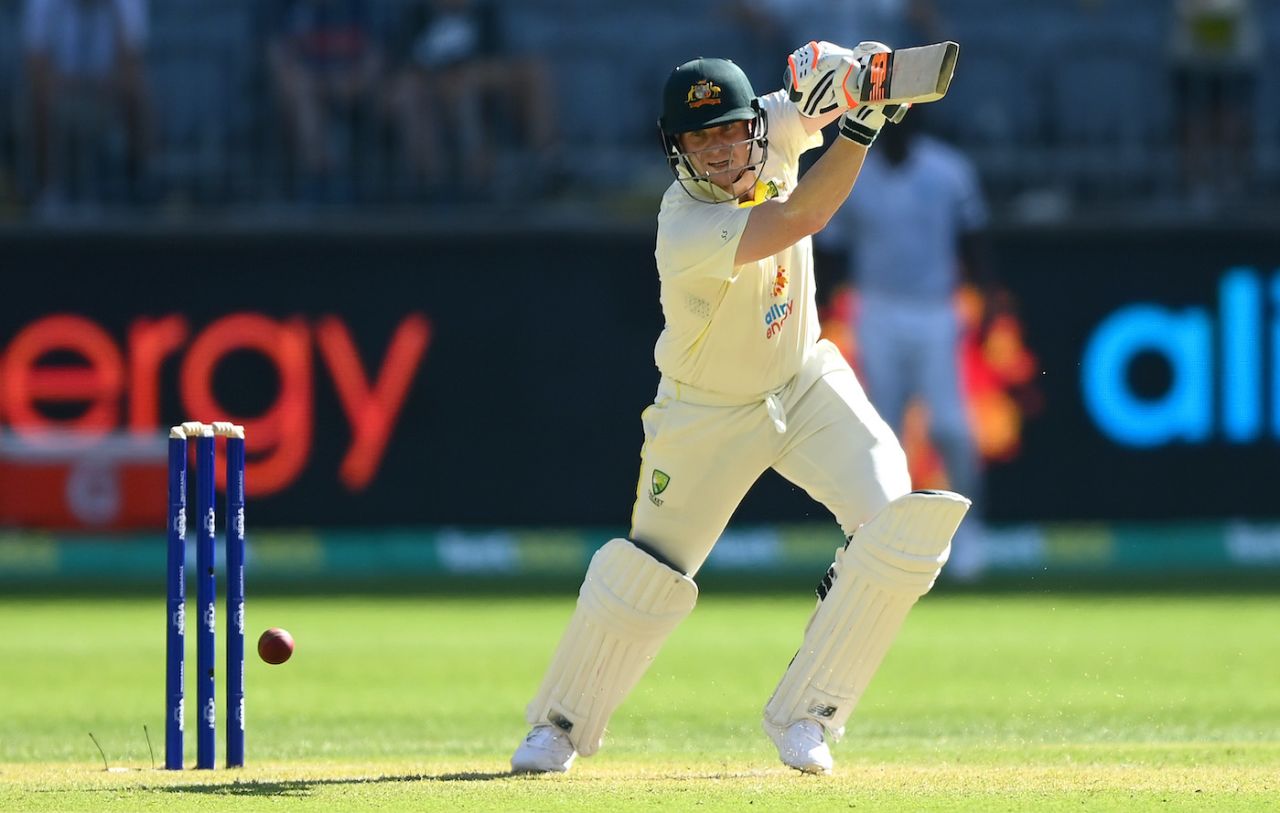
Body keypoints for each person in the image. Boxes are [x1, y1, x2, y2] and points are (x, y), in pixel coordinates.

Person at [510, 42, 970, 776]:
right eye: (701, 139)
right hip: (705, 411)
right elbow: (805, 213)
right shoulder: (685, 224)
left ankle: (808, 716)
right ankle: (558, 726)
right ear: (677, 150)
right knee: (647, 574)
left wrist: (859, 73)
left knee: (899, 532)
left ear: (754, 122)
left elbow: (822, 92)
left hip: (805, 378)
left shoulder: (777, 128)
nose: (722, 151)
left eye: (730, 130)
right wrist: (862, 126)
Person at [821, 112, 994, 581]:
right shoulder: (853, 171)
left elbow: (973, 237)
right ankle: (883, 538)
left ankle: (971, 533)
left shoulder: (948, 170)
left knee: (954, 428)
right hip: (875, 309)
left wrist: (989, 297)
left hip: (936, 310)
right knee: (881, 433)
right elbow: (833, 248)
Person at [383, 0, 560, 199]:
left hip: (483, 101)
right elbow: (401, 72)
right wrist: (442, 82)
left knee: (527, 71)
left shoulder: (485, 15)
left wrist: (469, 77)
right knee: (419, 92)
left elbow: (500, 66)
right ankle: (434, 187)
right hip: (430, 101)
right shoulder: (416, 17)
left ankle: (547, 166)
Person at [22, 0, 152, 214]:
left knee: (137, 92)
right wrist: (72, 85)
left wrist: (107, 84)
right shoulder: (41, 4)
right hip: (61, 94)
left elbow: (130, 65)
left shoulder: (127, 4)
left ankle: (139, 185)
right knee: (38, 98)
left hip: (107, 96)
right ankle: (48, 191)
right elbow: (36, 68)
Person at [265, 0, 383, 197]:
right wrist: (320, 86)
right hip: (306, 97)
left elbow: (374, 62)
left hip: (354, 97)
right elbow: (283, 71)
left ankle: (335, 184)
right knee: (304, 95)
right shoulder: (288, 11)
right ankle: (319, 181)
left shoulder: (359, 9)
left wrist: (342, 85)